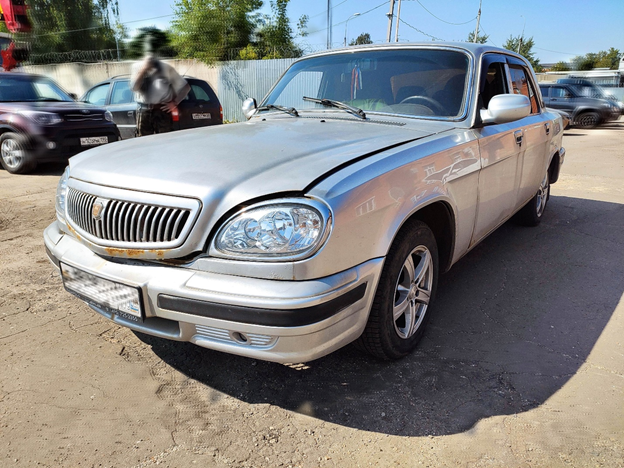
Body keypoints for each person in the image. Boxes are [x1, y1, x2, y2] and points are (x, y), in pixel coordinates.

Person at [130, 36, 190, 136]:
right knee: (144, 143)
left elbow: (186, 87)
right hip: (143, 111)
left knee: (165, 142)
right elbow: (134, 87)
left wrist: (174, 103)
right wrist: (144, 69)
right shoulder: (137, 67)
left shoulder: (166, 67)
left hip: (162, 111)